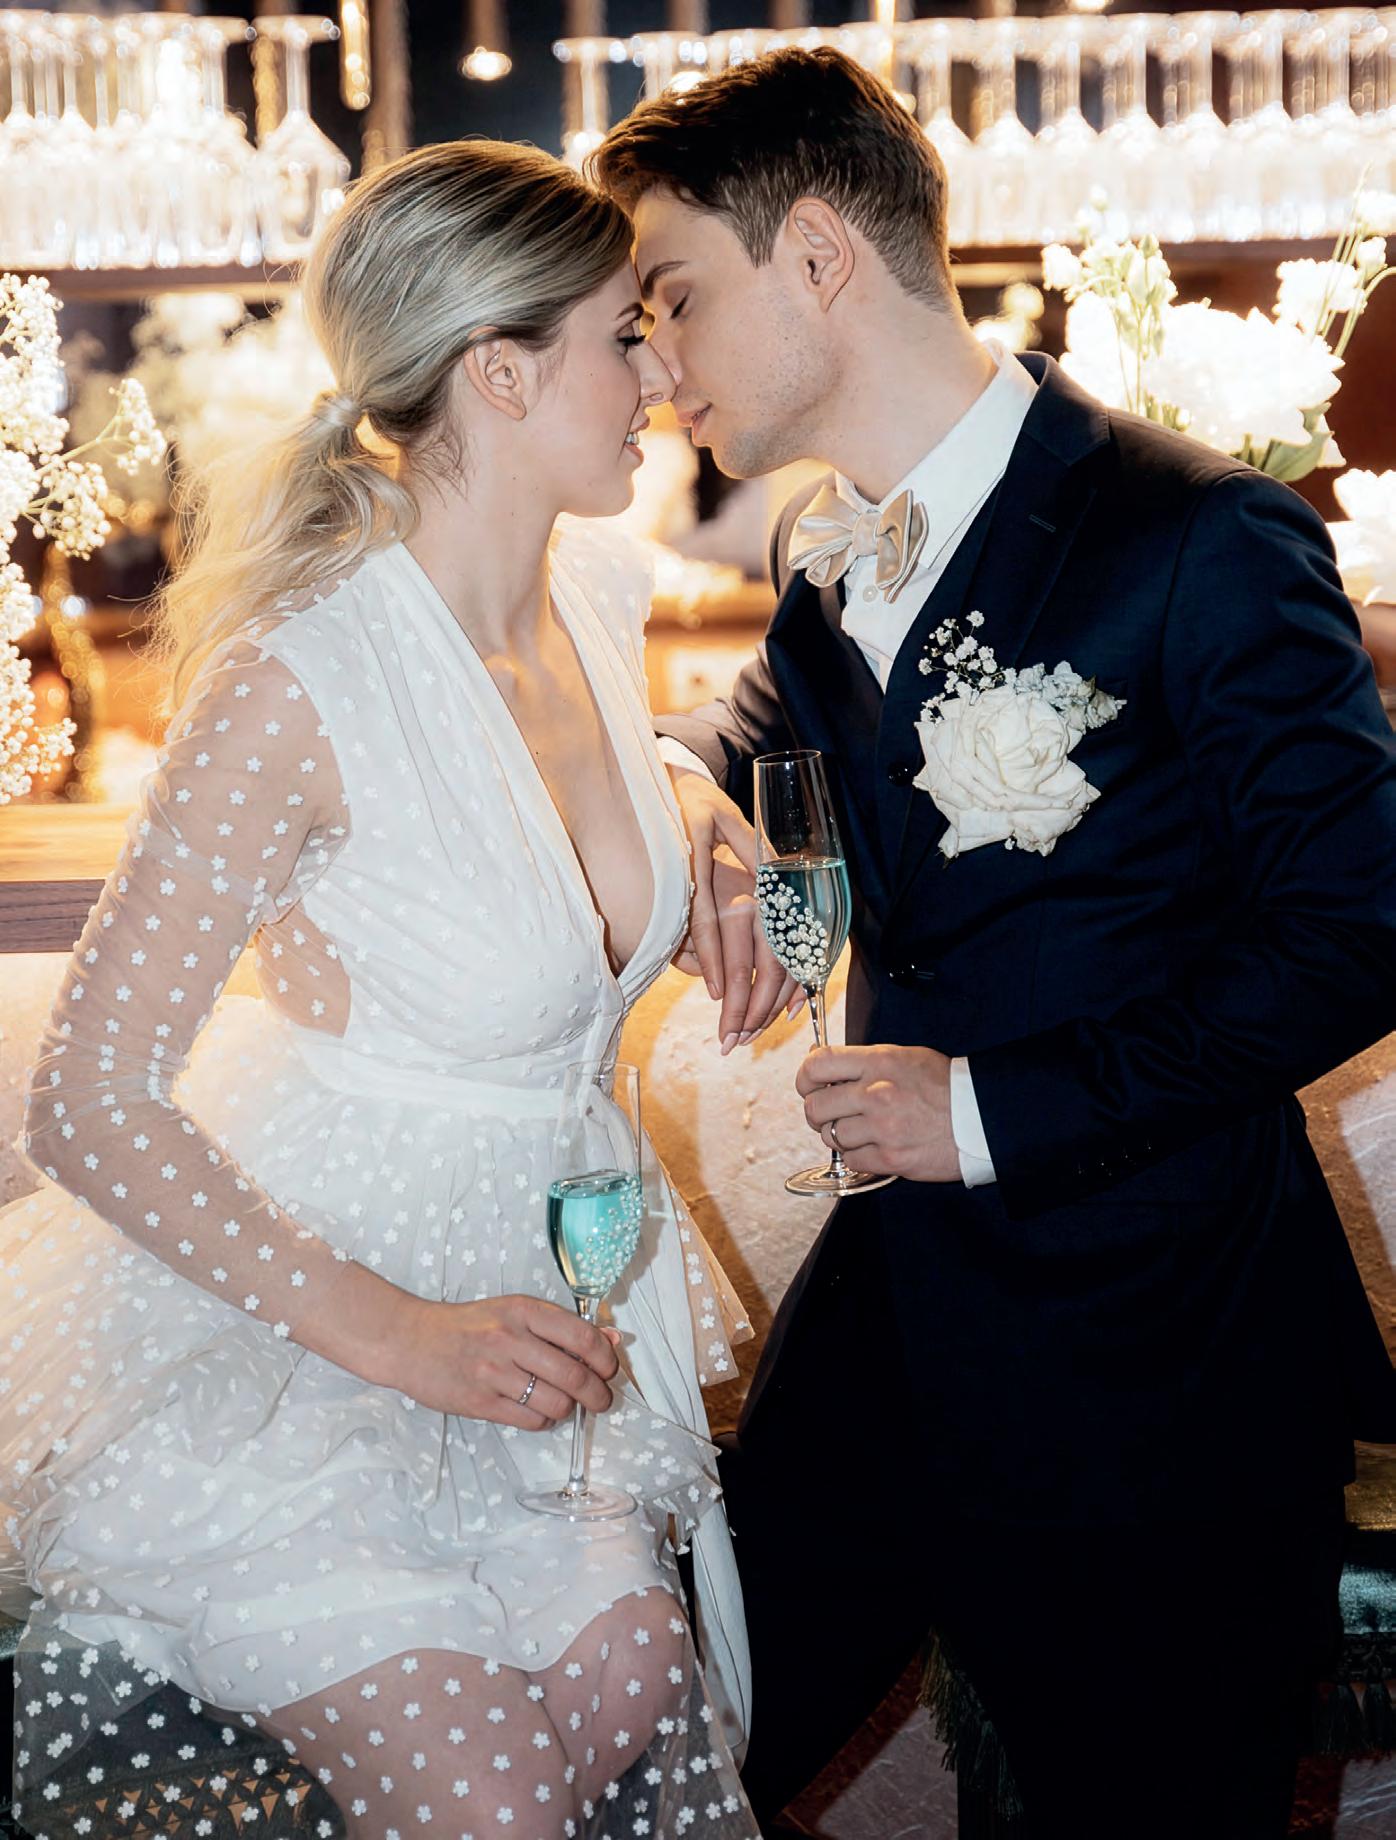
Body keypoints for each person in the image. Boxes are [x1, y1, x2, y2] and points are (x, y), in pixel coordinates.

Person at [594, 47, 1396, 1839]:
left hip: (1165, 1362)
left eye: (674, 298)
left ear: (818, 257)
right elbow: (760, 732)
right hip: (896, 1323)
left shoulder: (1199, 536)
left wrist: (978, 1114)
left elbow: (1356, 934)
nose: (652, 365)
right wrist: (682, 776)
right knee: (686, 1758)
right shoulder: (823, 546)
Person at [0, 139, 775, 1840]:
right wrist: (398, 1336)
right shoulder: (296, 678)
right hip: (313, 1353)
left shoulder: (594, 590)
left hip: (551, 1331)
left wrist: (692, 804)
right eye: (621, 336)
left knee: (629, 1694)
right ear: (499, 372)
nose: (660, 373)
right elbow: (84, 1102)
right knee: (496, 1797)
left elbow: (527, 801)